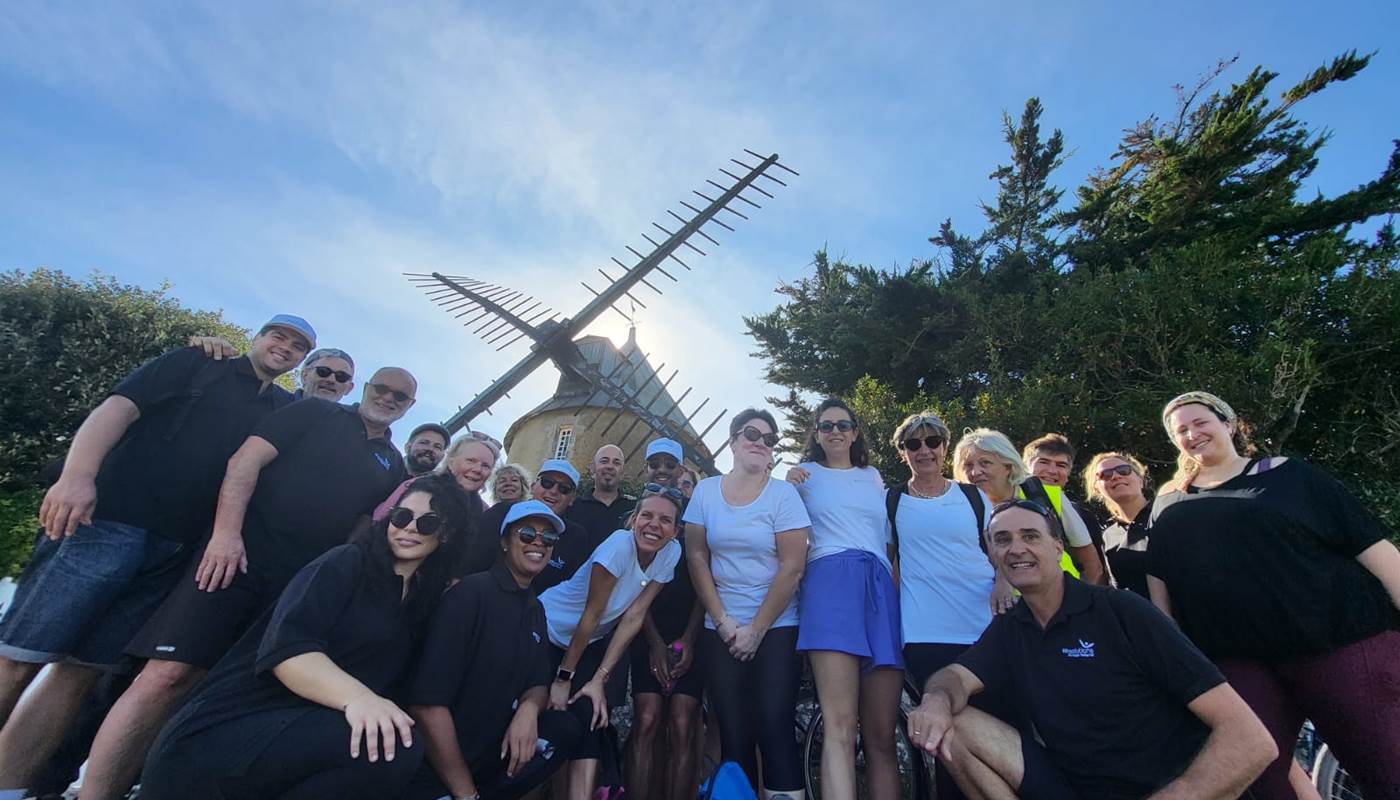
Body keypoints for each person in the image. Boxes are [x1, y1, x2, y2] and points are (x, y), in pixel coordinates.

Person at [0, 314, 312, 798]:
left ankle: (9, 787)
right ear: (257, 337)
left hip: (174, 547)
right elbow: (119, 408)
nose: (285, 348)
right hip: (108, 519)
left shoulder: (279, 407)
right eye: (278, 336)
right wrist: (78, 475)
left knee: (81, 670)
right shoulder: (198, 361)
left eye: (297, 346)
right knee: (19, 654)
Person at [74, 368, 416, 799]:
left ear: (408, 407)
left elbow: (361, 529)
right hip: (237, 558)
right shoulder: (313, 412)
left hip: (294, 587)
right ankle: (93, 792)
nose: (388, 399)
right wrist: (225, 535)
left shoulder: (392, 461)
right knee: (167, 674)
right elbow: (244, 462)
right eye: (381, 389)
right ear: (364, 388)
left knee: (222, 689)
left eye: (399, 397)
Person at [907, 499, 1277, 799]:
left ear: (1057, 547)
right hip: (1076, 787)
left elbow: (1251, 739)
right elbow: (954, 676)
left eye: (1030, 536)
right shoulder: (1012, 627)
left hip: (1167, 788)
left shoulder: (1122, 612)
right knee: (954, 722)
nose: (1016, 548)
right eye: (1002, 539)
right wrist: (936, 700)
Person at [139, 473, 471, 799]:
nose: (411, 527)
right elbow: (288, 650)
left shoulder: (419, 601)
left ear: (446, 534)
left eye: (428, 522)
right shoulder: (345, 562)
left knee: (396, 746)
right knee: (391, 746)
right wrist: (360, 699)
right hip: (231, 730)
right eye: (402, 516)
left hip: (305, 735)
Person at [1148, 390, 1400, 798]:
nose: (1192, 434)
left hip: (1339, 644)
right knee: (1259, 782)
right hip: (1237, 662)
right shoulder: (1168, 503)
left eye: (1201, 422)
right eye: (1181, 430)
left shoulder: (1290, 476)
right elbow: (1161, 586)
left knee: (1386, 768)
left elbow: (1376, 550)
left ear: (1228, 424)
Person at [405, 499, 587, 800]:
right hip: (439, 765)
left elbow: (538, 683)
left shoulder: (536, 610)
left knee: (565, 728)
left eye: (548, 538)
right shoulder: (469, 596)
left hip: (491, 758)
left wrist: (529, 709)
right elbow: (427, 706)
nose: (538, 542)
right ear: (504, 542)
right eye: (527, 534)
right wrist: (466, 793)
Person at [685, 409, 812, 799]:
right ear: (733, 441)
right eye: (752, 433)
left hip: (775, 626)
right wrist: (723, 623)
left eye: (769, 438)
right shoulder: (706, 491)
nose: (761, 441)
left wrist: (755, 631)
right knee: (734, 730)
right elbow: (696, 557)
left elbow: (792, 566)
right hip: (721, 628)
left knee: (775, 724)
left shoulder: (783, 495)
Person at [882, 411, 1006, 800]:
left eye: (932, 441)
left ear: (944, 446)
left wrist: (1004, 580)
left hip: (985, 624)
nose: (924, 451)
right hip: (925, 631)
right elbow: (889, 563)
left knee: (1000, 722)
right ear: (903, 452)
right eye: (913, 444)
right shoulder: (892, 500)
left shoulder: (972, 496)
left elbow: (998, 544)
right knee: (947, 732)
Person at [783, 400, 902, 800]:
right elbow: (783, 535)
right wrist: (788, 483)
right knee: (840, 725)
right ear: (815, 434)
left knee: (882, 733)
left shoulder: (874, 477)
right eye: (826, 425)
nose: (835, 431)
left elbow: (888, 540)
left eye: (843, 424)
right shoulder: (803, 477)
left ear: (854, 433)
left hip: (879, 588)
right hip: (830, 582)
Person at [540, 488, 685, 800]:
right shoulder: (619, 545)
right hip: (547, 628)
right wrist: (564, 678)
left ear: (675, 531)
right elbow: (591, 614)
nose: (653, 525)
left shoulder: (670, 552)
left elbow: (634, 615)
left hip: (588, 641)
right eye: (646, 515)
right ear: (633, 520)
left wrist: (598, 679)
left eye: (665, 520)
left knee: (590, 715)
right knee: (539, 709)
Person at [628, 439, 704, 800]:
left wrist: (689, 640)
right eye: (654, 463)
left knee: (684, 723)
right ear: (646, 468)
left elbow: (706, 582)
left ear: (680, 467)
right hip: (647, 628)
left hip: (689, 628)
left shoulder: (698, 519)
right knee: (645, 720)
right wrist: (654, 643)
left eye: (669, 463)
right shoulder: (635, 516)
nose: (662, 469)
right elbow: (630, 585)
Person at [952, 428, 1105, 585]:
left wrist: (1090, 603)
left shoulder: (1047, 495)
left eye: (985, 463)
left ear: (1008, 467)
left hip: (1063, 598)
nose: (975, 472)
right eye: (968, 465)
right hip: (999, 605)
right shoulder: (960, 510)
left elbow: (1088, 557)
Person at [478, 460, 592, 591]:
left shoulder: (576, 537)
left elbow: (572, 588)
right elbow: (476, 564)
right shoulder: (500, 514)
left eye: (564, 488)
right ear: (533, 487)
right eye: (547, 483)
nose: (554, 491)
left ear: (572, 499)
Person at [189, 336, 356, 403]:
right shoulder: (269, 401)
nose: (331, 380)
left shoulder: (351, 430)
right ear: (304, 375)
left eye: (342, 377)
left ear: (349, 388)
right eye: (323, 371)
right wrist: (208, 346)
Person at [1082, 452, 1153, 598]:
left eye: (1124, 470)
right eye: (1105, 474)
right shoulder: (1108, 537)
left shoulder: (1165, 514)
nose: (1116, 476)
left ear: (1140, 479)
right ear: (1097, 489)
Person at [567, 444, 636, 552]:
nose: (610, 466)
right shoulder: (573, 508)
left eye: (616, 463)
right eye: (604, 461)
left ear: (622, 471)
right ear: (593, 467)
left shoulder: (634, 510)